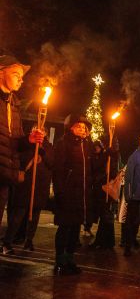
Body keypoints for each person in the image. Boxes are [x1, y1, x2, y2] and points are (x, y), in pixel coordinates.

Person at [0, 55, 44, 228]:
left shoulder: (13, 105)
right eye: (16, 74)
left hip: (4, 175)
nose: (21, 80)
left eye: (22, 77)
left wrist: (29, 140)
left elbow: (13, 142)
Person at [52, 114, 93, 275]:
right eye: (79, 126)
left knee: (75, 229)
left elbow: (93, 167)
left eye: (84, 127)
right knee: (65, 228)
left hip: (81, 195)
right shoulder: (63, 143)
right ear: (71, 128)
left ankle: (70, 259)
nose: (83, 129)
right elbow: (58, 170)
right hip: (67, 193)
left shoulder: (86, 145)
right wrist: (60, 192)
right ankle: (60, 260)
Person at [2, 127, 53, 254]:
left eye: (42, 131)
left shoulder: (49, 146)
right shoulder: (26, 144)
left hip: (40, 187)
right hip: (25, 187)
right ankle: (7, 242)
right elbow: (18, 159)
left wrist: (42, 151)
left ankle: (29, 240)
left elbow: (52, 163)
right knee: (17, 216)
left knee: (34, 216)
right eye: (36, 130)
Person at [90, 138, 119, 249]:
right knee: (105, 216)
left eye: (98, 147)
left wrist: (111, 154)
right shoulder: (98, 156)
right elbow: (95, 168)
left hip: (106, 189)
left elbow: (113, 170)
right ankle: (106, 241)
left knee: (106, 215)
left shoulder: (110, 156)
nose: (96, 149)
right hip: (98, 189)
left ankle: (103, 241)